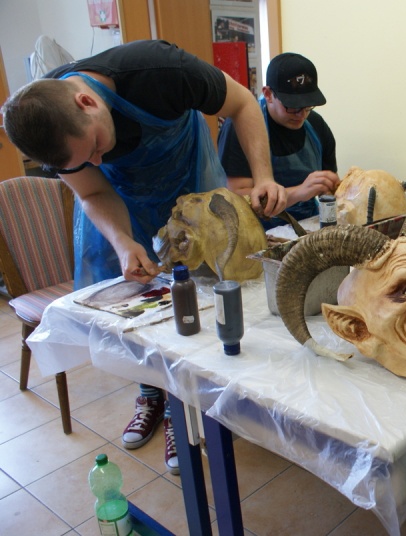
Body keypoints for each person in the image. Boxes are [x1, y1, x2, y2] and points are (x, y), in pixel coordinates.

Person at [1, 39, 287, 476]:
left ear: (86, 101)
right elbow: (94, 192)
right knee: (137, 303)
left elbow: (244, 104)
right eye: (87, 159)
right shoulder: (54, 131)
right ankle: (151, 395)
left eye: (96, 146)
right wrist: (122, 242)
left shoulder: (162, 72)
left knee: (198, 293)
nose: (99, 158)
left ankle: (182, 407)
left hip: (187, 178)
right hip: (119, 200)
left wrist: (263, 175)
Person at [218, 52, 339, 230]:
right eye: (292, 106)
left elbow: (329, 189)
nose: (301, 115)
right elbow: (236, 198)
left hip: (307, 225)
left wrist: (329, 187)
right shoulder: (239, 128)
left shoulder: (316, 125)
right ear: (268, 94)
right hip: (258, 232)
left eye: (307, 106)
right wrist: (299, 192)